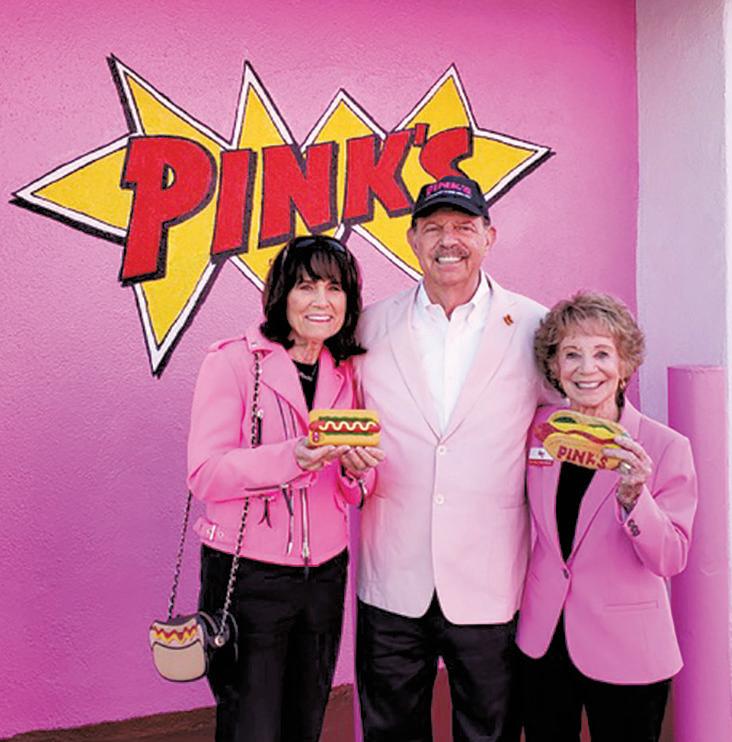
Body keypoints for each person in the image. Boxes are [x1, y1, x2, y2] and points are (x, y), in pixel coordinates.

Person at [354, 175, 554, 742]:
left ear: (489, 236)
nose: (449, 240)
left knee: (490, 730)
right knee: (390, 729)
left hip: (491, 577)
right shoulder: (368, 326)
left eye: (464, 226)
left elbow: (571, 415)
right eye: (434, 227)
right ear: (412, 239)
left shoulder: (535, 327)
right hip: (392, 574)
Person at [187, 235, 384, 742]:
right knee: (250, 726)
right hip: (247, 574)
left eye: (335, 288)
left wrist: (355, 472)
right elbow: (205, 473)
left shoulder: (347, 370)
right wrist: (290, 457)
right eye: (306, 286)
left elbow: (355, 491)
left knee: (305, 720)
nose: (322, 301)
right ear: (281, 294)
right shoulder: (233, 361)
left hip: (324, 576)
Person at [517, 292, 697, 742]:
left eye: (601, 354)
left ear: (625, 366)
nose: (586, 368)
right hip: (544, 641)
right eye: (571, 354)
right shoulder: (539, 431)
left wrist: (636, 499)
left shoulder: (664, 446)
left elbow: (670, 558)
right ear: (554, 366)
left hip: (627, 648)